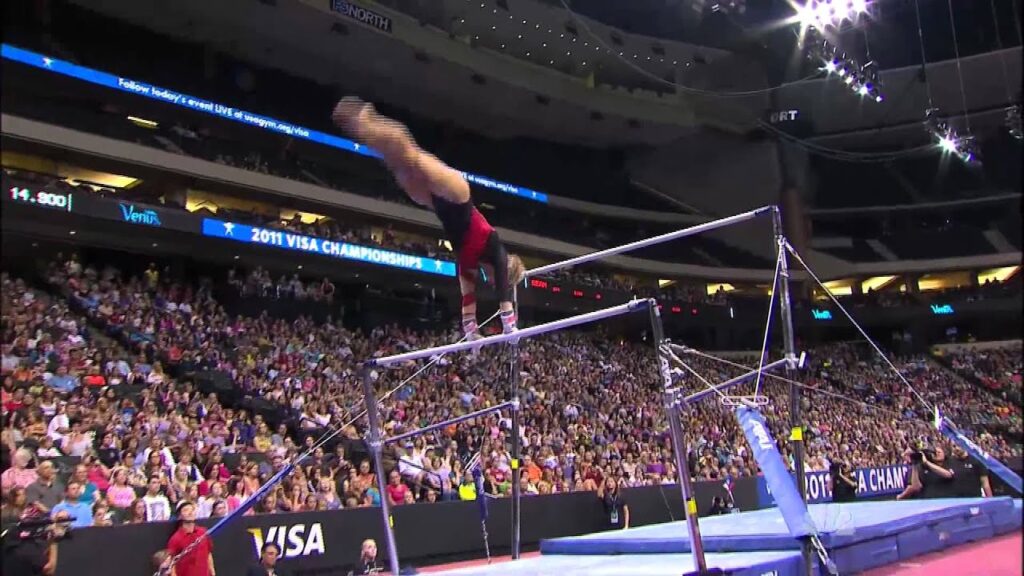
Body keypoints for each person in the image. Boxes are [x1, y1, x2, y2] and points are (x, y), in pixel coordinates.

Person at [332, 97, 525, 340]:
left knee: (397, 163)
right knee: (411, 155)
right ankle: (365, 117)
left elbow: (468, 298)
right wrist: (510, 327)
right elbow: (504, 293)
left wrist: (471, 333)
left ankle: (362, 130)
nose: (494, 282)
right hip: (458, 195)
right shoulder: (496, 249)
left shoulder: (469, 265)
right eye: (501, 279)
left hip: (434, 203)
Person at [166, 501, 215, 576]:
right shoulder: (175, 539)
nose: (190, 512)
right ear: (180, 516)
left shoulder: (203, 532)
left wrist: (212, 572)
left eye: (192, 510)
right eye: (186, 510)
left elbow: (208, 554)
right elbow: (171, 564)